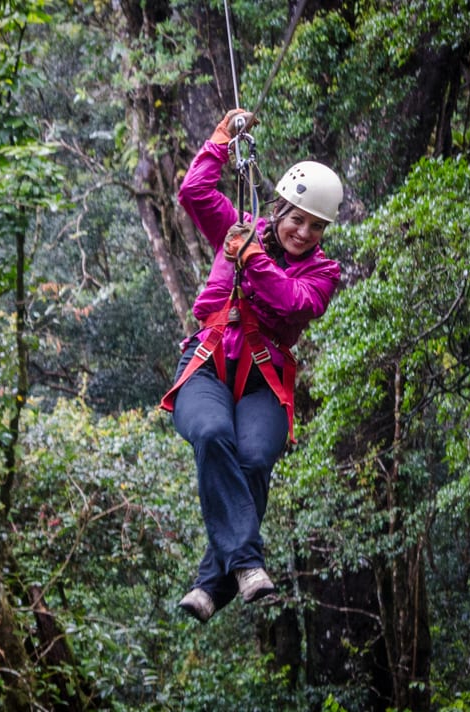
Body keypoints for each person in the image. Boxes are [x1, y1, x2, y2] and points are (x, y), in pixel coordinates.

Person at [161, 109, 343, 623]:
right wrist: (221, 140)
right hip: (207, 366)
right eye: (296, 219)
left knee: (257, 457)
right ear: (279, 209)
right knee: (214, 433)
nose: (303, 233)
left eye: (315, 226)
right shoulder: (242, 230)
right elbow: (194, 194)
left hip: (263, 377)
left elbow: (291, 304)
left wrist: (251, 259)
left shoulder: (324, 273)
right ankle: (243, 567)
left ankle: (209, 586)